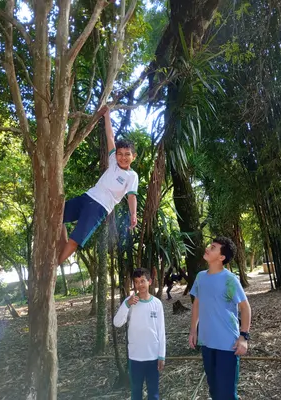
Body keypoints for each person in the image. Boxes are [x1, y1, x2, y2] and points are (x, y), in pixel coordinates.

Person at [57, 106, 139, 265]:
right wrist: (106, 115)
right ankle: (61, 247)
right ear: (116, 155)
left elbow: (131, 196)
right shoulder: (113, 161)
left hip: (99, 208)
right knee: (57, 215)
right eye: (120, 154)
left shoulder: (132, 176)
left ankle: (55, 264)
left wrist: (133, 214)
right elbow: (110, 137)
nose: (123, 158)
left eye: (127, 154)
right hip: (87, 197)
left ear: (133, 156)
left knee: (76, 239)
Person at [188, 237, 251, 400]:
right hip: (207, 342)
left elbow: (245, 308)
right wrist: (193, 330)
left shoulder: (230, 279)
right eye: (210, 245)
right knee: (214, 389)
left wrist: (244, 336)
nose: (208, 248)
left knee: (227, 393)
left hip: (227, 344)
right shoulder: (201, 277)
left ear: (222, 257)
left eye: (213, 247)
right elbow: (196, 304)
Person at [114, 268, 166, 400]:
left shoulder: (157, 304)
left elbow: (161, 331)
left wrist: (161, 355)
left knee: (153, 392)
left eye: (143, 281)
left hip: (153, 356)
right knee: (136, 392)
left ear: (149, 281)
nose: (140, 285)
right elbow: (117, 322)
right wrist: (126, 304)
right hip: (135, 356)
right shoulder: (130, 302)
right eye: (136, 282)